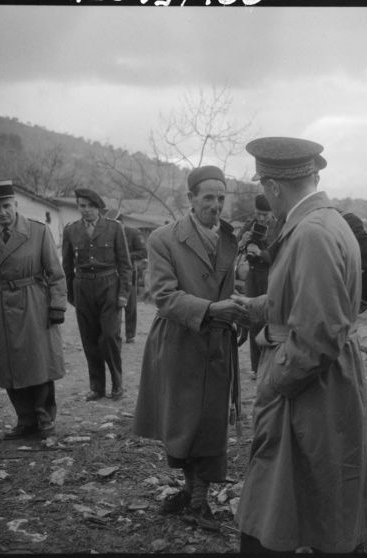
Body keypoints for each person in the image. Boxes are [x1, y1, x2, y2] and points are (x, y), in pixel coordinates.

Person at [234, 137, 367, 553]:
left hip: (308, 387)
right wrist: (260, 307)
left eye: (264, 187)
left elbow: (317, 334)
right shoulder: (327, 222)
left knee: (279, 509)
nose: (265, 196)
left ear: (274, 186)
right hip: (322, 382)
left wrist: (274, 380)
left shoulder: (310, 233)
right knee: (313, 500)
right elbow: (309, 299)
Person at [133, 165, 248, 531]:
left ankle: (197, 501)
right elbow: (163, 296)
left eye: (221, 198)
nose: (215, 205)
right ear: (191, 200)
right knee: (183, 421)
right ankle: (190, 493)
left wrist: (239, 316)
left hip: (217, 343)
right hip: (180, 341)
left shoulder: (230, 239)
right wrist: (212, 310)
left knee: (212, 422)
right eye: (208, 198)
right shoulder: (164, 239)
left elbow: (231, 287)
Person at [0, 182, 66, 439]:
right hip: (1, 303)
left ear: (15, 205)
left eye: (6, 205)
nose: (2, 211)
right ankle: (24, 419)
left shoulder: (38, 231)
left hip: (33, 301)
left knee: (38, 361)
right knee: (9, 364)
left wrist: (57, 306)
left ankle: (44, 418)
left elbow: (55, 272)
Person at [62, 189, 132, 402]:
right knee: (89, 339)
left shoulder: (114, 228)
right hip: (82, 286)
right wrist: (72, 293)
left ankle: (117, 384)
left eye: (90, 206)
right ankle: (97, 387)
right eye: (82, 206)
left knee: (110, 336)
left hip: (109, 285)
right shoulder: (71, 230)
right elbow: (67, 265)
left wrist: (123, 294)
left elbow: (125, 264)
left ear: (98, 208)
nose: (86, 210)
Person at [236, 194, 281, 375]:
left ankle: (270, 366)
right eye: (258, 214)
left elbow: (281, 255)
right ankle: (256, 368)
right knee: (254, 319)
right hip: (252, 278)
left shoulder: (279, 227)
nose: (261, 218)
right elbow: (236, 248)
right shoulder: (249, 224)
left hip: (272, 278)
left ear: (271, 213)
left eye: (265, 214)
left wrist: (261, 253)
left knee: (271, 319)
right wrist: (243, 241)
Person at [104, 209, 147, 343]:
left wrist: (125, 257)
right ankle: (113, 333)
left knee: (130, 305)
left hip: (129, 274)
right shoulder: (107, 234)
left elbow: (143, 252)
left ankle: (130, 335)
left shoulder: (133, 233)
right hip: (111, 275)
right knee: (112, 304)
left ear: (120, 221)